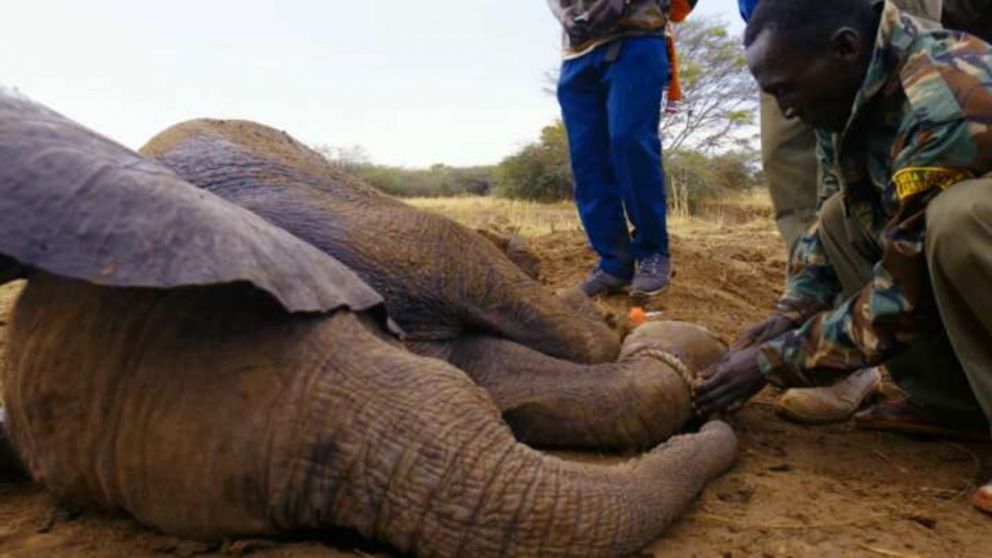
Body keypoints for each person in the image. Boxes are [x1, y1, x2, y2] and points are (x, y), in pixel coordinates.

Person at [694, 0, 992, 514]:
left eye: (786, 89)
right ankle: (960, 406)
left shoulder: (944, 94)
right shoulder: (852, 94)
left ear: (845, 48)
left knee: (959, 220)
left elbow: (900, 301)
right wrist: (788, 316)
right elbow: (829, 225)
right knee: (839, 215)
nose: (785, 110)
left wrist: (770, 362)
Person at [547, 0, 691, 298]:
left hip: (637, 39)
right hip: (578, 52)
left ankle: (653, 252)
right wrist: (565, 13)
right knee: (587, 160)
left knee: (629, 142)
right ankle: (614, 262)